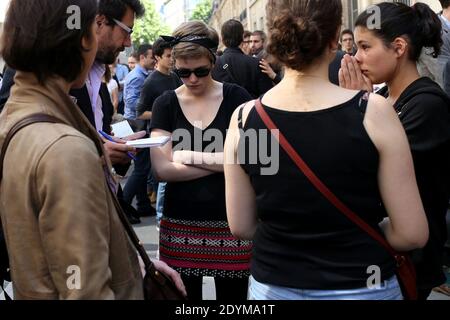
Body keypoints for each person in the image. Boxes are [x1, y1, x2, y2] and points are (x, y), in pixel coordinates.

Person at [225, 0, 429, 300]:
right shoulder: (371, 111)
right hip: (362, 283)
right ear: (335, 39)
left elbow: (241, 225)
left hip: (275, 284)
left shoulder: (245, 118)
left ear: (273, 35)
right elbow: (411, 232)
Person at [0, 0, 184, 300]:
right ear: (85, 39)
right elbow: (85, 289)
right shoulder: (67, 151)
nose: (127, 42)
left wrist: (129, 261)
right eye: (92, 30)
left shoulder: (17, 117)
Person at [339, 1, 450, 300]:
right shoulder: (384, 96)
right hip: (377, 249)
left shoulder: (428, 105)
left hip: (410, 259)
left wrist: (357, 110)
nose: (355, 57)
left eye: (365, 46)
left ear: (398, 47)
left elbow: (368, 169)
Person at [150, 21, 253, 301]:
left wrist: (186, 155)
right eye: (183, 72)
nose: (192, 79)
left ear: (213, 61)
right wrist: (225, 162)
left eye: (200, 71)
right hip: (180, 226)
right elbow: (161, 169)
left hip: (232, 224)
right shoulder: (165, 103)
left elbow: (255, 158)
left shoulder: (237, 97)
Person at [136, 37, 183, 227]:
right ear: (157, 57)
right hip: (160, 136)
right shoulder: (151, 82)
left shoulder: (175, 77)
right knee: (163, 179)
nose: (171, 59)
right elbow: (140, 113)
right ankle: (161, 220)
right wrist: (163, 112)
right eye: (168, 56)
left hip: (178, 134)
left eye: (173, 55)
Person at [123, 43, 156, 218]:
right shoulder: (137, 76)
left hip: (137, 123)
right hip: (137, 124)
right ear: (142, 57)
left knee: (142, 166)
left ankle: (143, 205)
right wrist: (151, 109)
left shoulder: (141, 74)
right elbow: (131, 102)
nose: (154, 60)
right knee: (141, 168)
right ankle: (123, 205)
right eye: (152, 57)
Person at [212, 19, 273, 99]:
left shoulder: (214, 65)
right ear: (241, 39)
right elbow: (267, 96)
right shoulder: (257, 63)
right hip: (250, 109)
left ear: (222, 39)